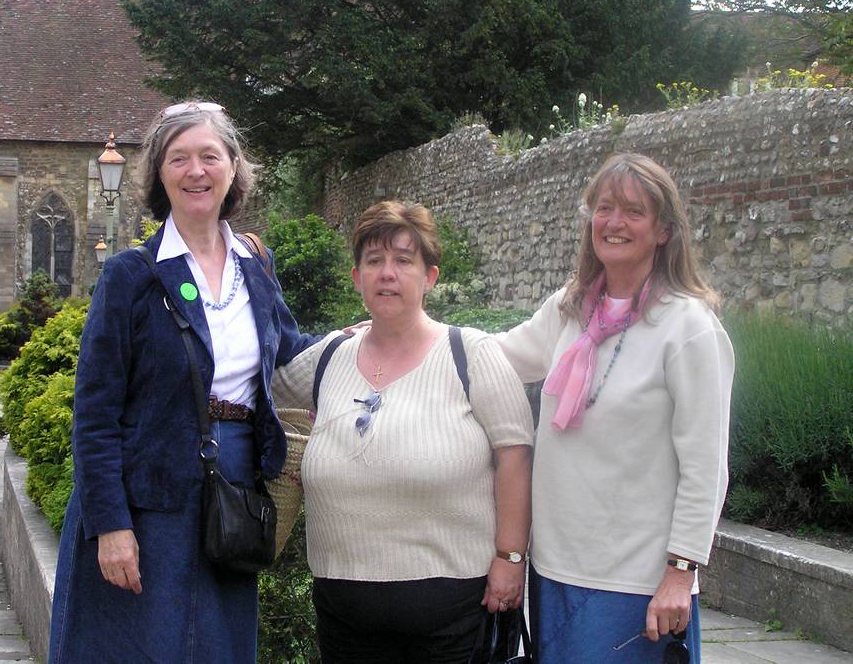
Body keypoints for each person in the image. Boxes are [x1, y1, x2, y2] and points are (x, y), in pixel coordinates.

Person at [48, 101, 315, 663]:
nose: (196, 171)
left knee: (216, 648)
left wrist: (366, 343)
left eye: (210, 156)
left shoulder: (255, 266)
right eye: (179, 158)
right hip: (145, 503)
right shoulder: (130, 276)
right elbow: (94, 413)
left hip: (231, 499)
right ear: (160, 174)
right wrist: (110, 525)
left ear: (233, 168)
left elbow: (293, 357)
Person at [272, 201, 534, 664]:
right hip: (344, 615)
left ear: (429, 277)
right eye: (374, 261)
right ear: (357, 278)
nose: (387, 273)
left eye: (403, 260)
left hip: (454, 617)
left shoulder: (471, 353)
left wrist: (510, 558)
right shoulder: (330, 356)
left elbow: (515, 454)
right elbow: (255, 383)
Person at [496, 153, 734, 663]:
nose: (614, 222)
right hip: (556, 572)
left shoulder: (688, 327)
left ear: (664, 230)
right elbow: (495, 358)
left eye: (633, 211)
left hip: (636, 583)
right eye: (604, 208)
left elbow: (705, 464)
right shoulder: (570, 308)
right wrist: (412, 339)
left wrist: (681, 572)